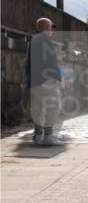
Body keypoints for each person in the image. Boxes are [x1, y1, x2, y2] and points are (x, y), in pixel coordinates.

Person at [28, 17, 64, 146]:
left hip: (34, 80)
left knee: (38, 107)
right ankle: (48, 135)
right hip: (47, 80)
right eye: (51, 26)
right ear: (48, 27)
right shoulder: (46, 40)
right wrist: (58, 78)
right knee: (53, 107)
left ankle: (38, 136)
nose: (52, 29)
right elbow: (50, 62)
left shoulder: (34, 39)